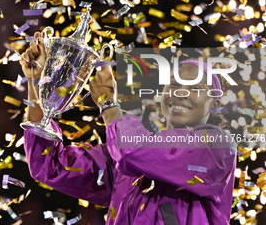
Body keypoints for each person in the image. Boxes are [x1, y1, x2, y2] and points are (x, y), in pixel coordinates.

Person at [19, 31, 237, 225]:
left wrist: (108, 105)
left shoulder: (217, 147)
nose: (180, 92)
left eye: (195, 87)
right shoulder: (126, 152)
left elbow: (136, 151)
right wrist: (37, 83)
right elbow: (50, 165)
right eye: (174, 84)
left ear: (214, 104)